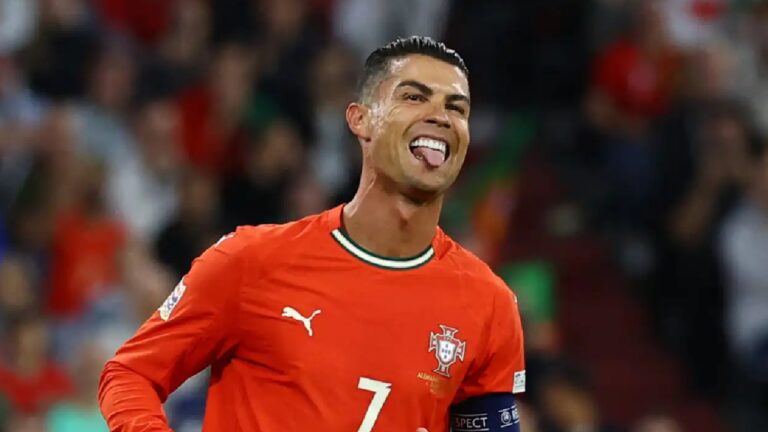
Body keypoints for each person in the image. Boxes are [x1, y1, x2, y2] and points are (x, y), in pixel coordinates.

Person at [98, 36, 525, 432]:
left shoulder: (489, 305)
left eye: (458, 107)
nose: (440, 116)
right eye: (414, 97)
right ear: (361, 120)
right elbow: (130, 374)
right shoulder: (251, 261)